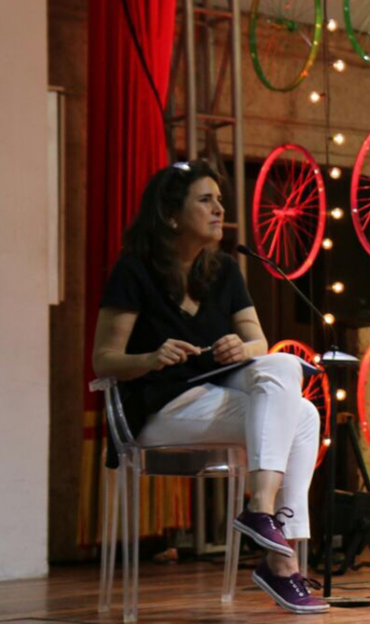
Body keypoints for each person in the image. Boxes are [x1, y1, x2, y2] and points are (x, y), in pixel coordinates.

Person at [93, 161, 327, 614]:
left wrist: (241, 347)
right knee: (300, 414)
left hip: (217, 392)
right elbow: (104, 359)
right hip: (158, 408)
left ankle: (266, 520)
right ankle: (281, 561)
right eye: (206, 200)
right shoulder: (134, 271)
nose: (220, 209)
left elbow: (258, 342)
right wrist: (150, 357)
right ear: (171, 215)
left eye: (219, 200)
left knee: (289, 379)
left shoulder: (224, 270)